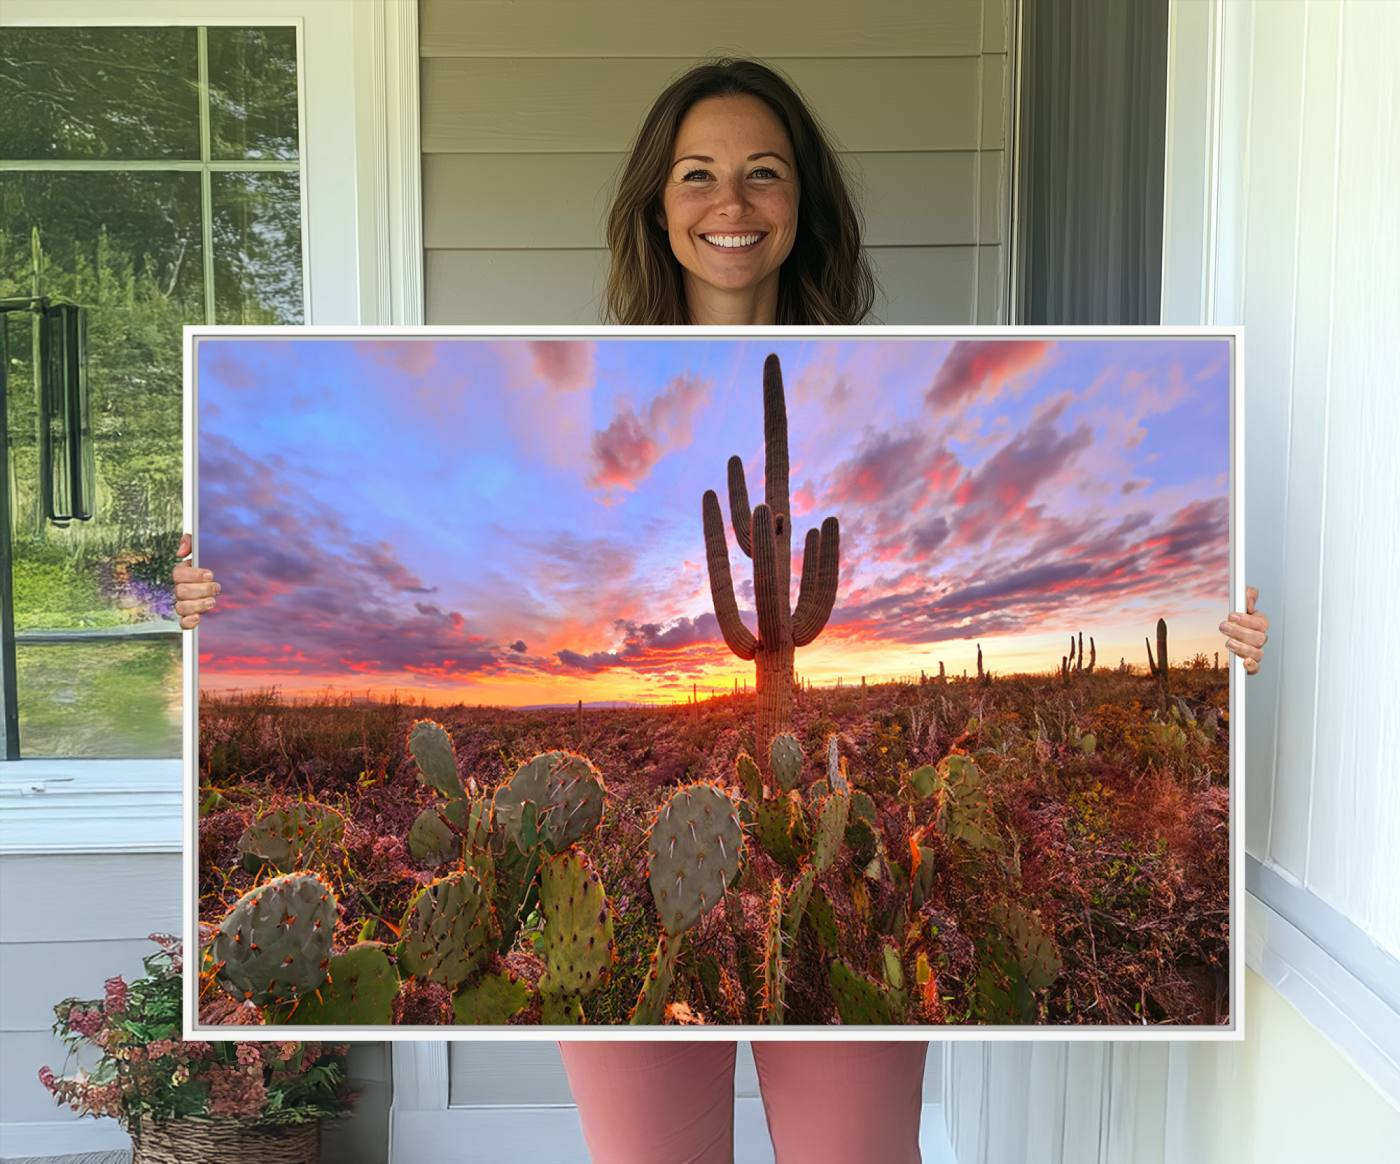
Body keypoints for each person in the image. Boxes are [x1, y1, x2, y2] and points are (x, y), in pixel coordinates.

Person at [173, 57, 1269, 1164]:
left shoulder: (893, 360)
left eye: (763, 173)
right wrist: (202, 607)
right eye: (696, 174)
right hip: (658, 900)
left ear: (802, 204)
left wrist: (1224, 651)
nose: (729, 204)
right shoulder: (574, 361)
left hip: (816, 867)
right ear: (657, 203)